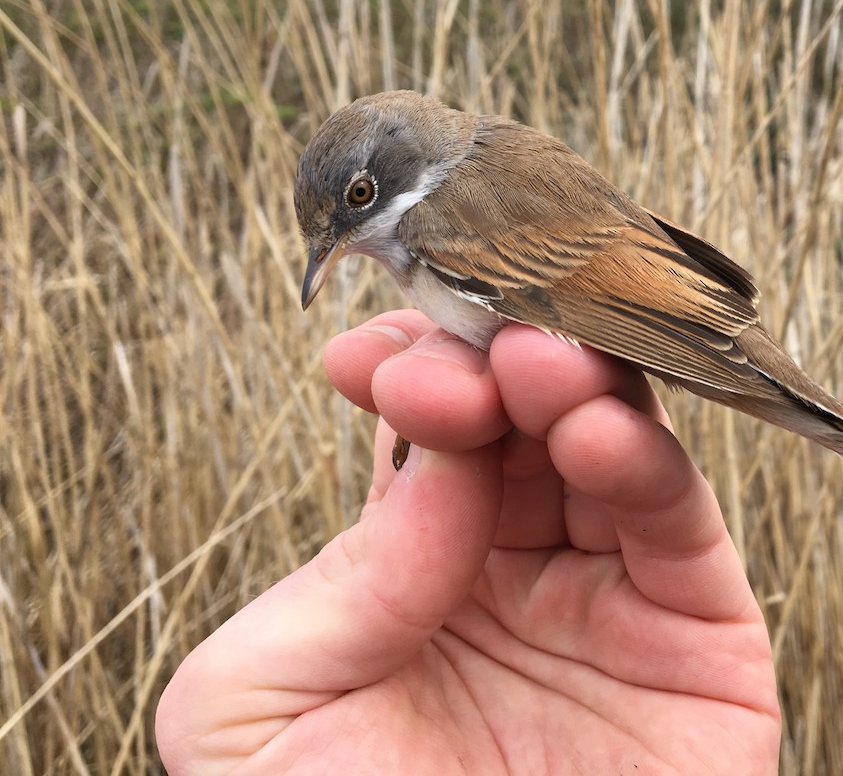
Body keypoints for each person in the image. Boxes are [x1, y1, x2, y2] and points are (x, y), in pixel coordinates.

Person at [155, 311, 781, 773]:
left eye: (356, 204)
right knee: (473, 392)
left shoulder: (442, 212)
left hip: (644, 321)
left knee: (510, 386)